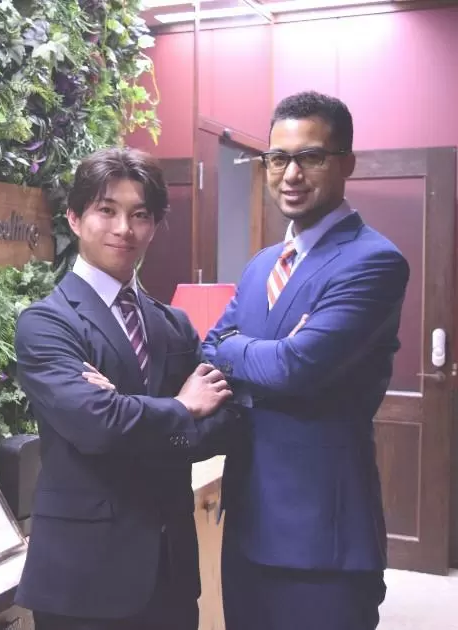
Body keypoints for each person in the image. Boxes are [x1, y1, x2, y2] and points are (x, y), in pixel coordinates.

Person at [202, 91, 410, 630]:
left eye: (310, 157)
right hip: (247, 524)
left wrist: (238, 349)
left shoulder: (373, 261)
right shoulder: (262, 265)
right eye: (278, 158)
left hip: (323, 539)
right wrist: (258, 352)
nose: (290, 174)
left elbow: (296, 367)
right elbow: (210, 346)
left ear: (346, 163)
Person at [12, 147, 240, 630]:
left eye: (140, 215)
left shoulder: (172, 324)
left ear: (153, 226)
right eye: (107, 210)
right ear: (75, 218)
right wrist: (182, 407)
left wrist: (126, 410)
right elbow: (97, 426)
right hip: (84, 578)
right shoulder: (47, 323)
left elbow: (222, 420)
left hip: (171, 570)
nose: (124, 228)